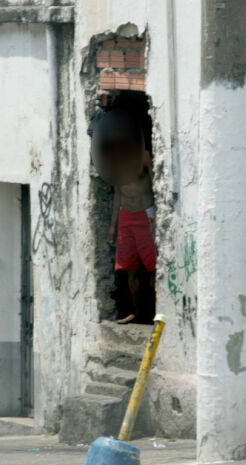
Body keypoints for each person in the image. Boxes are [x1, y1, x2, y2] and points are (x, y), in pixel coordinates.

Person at [90, 107, 156, 324]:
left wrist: (156, 217)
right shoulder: (115, 160)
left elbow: (158, 186)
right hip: (127, 215)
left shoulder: (145, 157)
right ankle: (136, 312)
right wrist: (113, 226)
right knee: (129, 269)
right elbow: (118, 191)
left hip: (145, 214)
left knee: (152, 267)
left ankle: (154, 311)